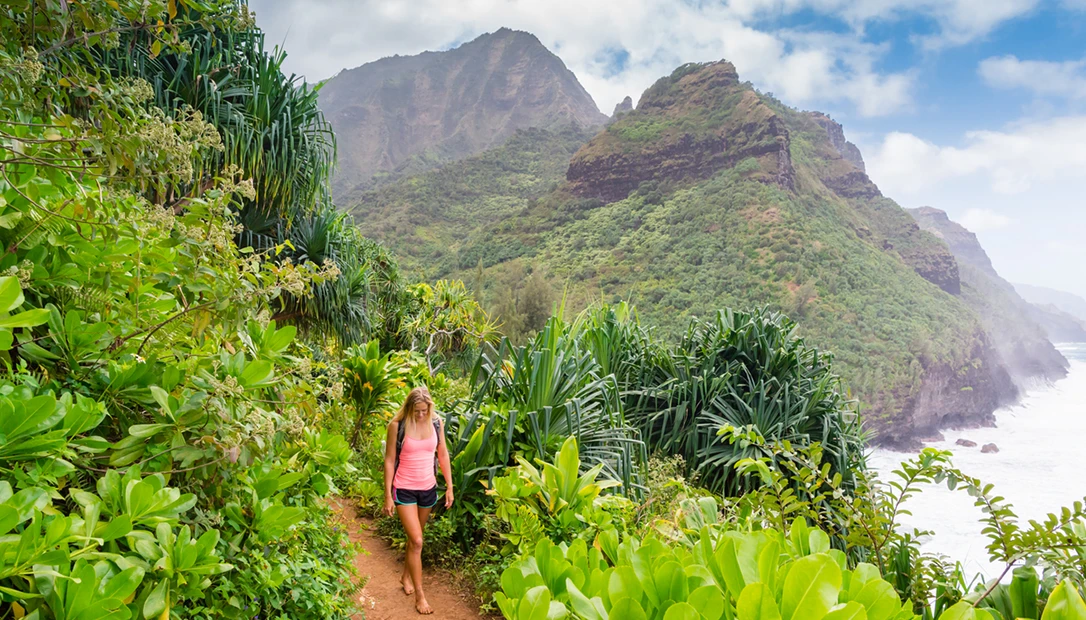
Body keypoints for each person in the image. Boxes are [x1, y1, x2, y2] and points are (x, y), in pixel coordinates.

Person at [383, 386, 453, 615]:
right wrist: (387, 496)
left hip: (428, 489)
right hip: (404, 489)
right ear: (409, 407)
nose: (421, 414)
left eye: (425, 410)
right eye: (417, 410)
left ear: (429, 407)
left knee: (415, 542)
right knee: (418, 541)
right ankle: (420, 597)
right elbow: (390, 460)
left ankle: (406, 576)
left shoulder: (436, 423)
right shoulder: (397, 426)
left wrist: (450, 487)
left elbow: (442, 454)